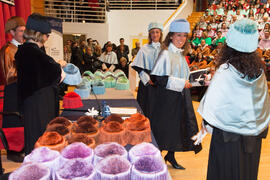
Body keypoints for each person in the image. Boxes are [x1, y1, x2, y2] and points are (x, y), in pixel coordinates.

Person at [197, 18, 270, 180]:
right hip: (252, 138)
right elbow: (261, 103)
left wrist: (205, 127)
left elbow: (213, 106)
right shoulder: (258, 71)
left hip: (227, 137)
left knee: (226, 173)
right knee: (247, 173)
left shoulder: (225, 70)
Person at [150, 19, 202, 170]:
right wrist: (181, 83)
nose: (182, 39)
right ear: (171, 36)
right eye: (178, 35)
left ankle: (171, 155)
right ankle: (157, 158)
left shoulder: (180, 55)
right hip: (167, 99)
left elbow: (185, 76)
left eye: (184, 36)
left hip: (181, 96)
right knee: (165, 127)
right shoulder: (166, 53)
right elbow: (158, 78)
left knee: (178, 127)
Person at [15, 13, 63, 155]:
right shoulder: (33, 53)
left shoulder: (26, 51)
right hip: (39, 104)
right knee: (41, 139)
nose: (47, 38)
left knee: (34, 138)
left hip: (32, 102)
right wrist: (59, 65)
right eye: (47, 35)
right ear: (39, 34)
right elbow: (54, 73)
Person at [0, 16, 25, 162]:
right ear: (12, 31)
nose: (24, 33)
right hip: (13, 91)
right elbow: (8, 75)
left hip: (21, 90)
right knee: (14, 120)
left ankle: (22, 147)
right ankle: (13, 151)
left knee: (21, 119)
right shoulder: (7, 50)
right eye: (21, 30)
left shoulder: (22, 48)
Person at [131, 22, 163, 117]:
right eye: (152, 32)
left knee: (159, 111)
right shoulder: (144, 49)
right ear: (149, 34)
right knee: (146, 110)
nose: (155, 34)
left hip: (161, 83)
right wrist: (148, 79)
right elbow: (138, 67)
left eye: (157, 32)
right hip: (147, 84)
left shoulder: (165, 49)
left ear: (160, 34)